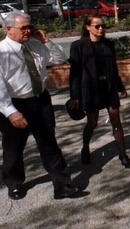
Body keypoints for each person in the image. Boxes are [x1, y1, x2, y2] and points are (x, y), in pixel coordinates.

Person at [0, 11, 83, 200]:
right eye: (23, 28)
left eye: (30, 27)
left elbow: (58, 59)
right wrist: (11, 113)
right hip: (15, 104)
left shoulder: (36, 45)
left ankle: (61, 185)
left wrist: (46, 41)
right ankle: (14, 183)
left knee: (49, 144)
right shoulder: (1, 52)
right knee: (13, 148)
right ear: (9, 29)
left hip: (41, 101)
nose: (28, 31)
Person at [69, 16, 130, 169]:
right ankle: (85, 148)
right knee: (92, 123)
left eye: (103, 26)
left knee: (116, 121)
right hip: (91, 89)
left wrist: (120, 86)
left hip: (108, 87)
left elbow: (114, 68)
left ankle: (123, 154)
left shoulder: (108, 44)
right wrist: (75, 96)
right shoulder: (78, 46)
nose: (101, 29)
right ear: (87, 27)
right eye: (97, 26)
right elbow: (75, 72)